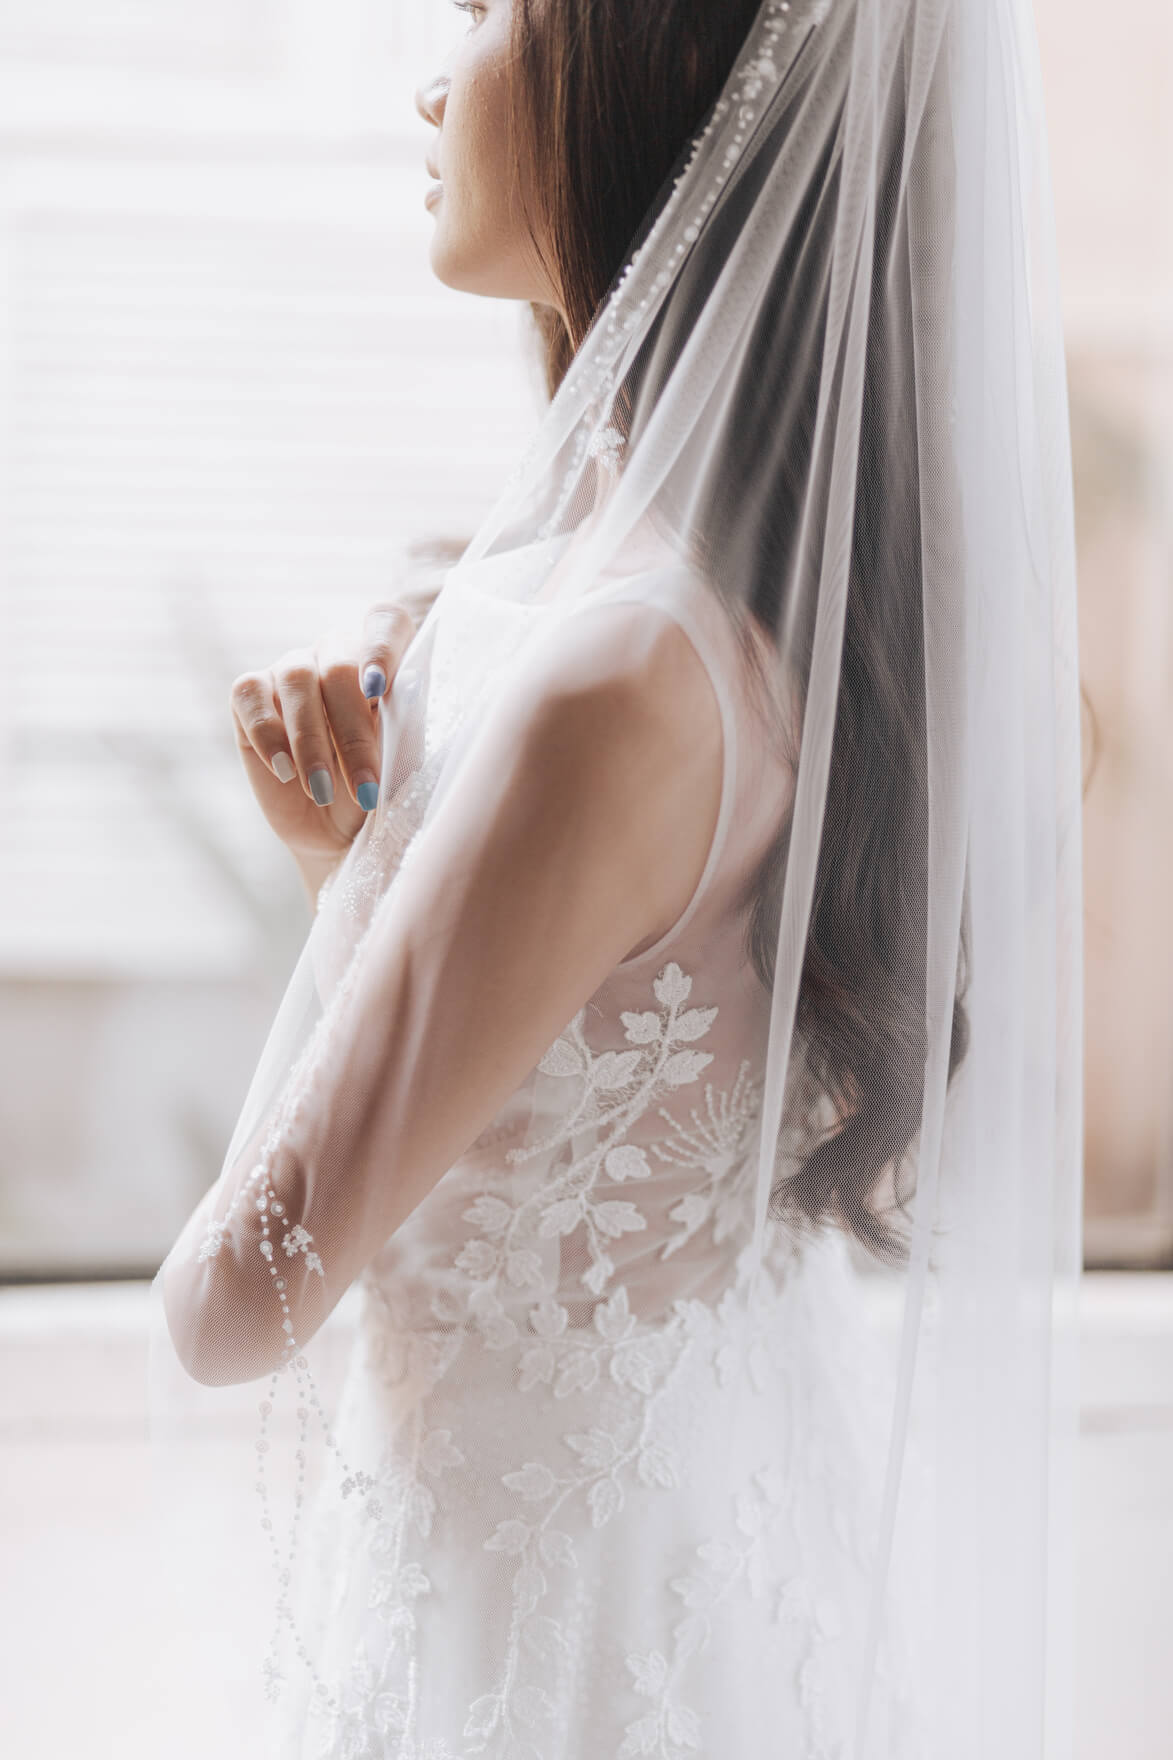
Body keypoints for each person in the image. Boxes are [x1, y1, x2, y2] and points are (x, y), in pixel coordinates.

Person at [150, 1, 1084, 1755]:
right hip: (683, 1550)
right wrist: (362, 864)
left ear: (657, 81)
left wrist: (365, 899)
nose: (433, 81)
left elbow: (235, 1307)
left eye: (489, 12)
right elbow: (563, 1091)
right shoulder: (761, 620)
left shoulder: (612, 683)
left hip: (541, 1642)